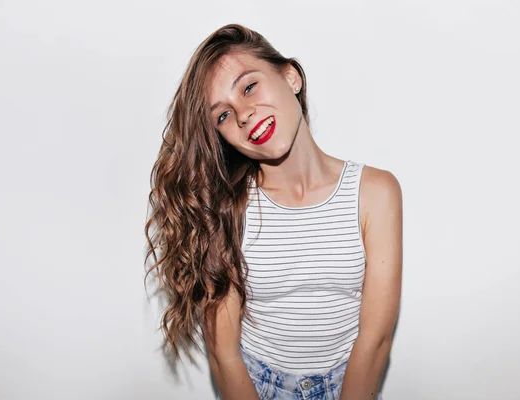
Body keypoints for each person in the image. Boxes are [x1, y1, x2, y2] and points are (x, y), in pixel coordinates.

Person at [145, 23, 402, 400]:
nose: (244, 115)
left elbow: (376, 340)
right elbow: (224, 354)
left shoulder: (375, 193)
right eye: (223, 116)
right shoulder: (228, 207)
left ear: (291, 77)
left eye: (249, 87)